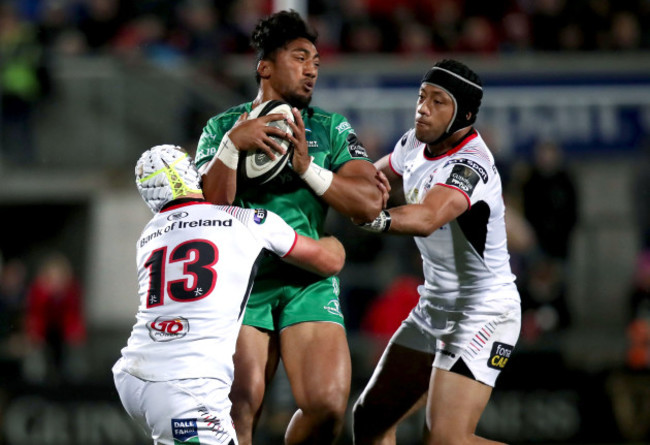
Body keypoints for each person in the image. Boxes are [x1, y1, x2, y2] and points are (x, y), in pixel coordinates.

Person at [194, 10, 384, 445]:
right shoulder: (223, 127)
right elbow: (205, 211)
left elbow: (370, 202)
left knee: (328, 406)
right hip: (244, 282)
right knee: (239, 407)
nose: (312, 68)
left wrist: (308, 168)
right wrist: (230, 147)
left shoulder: (329, 128)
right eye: (300, 57)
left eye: (316, 61)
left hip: (308, 278)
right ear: (264, 66)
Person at [112, 144, 347, 445]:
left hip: (134, 377)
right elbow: (328, 262)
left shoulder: (149, 235)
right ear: (195, 175)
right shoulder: (248, 221)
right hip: (186, 383)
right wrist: (333, 242)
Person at [353, 59, 522, 445]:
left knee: (445, 439)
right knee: (370, 422)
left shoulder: (471, 164)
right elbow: (370, 180)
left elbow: (428, 216)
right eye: (421, 97)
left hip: (484, 311)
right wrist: (317, 174)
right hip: (435, 307)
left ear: (463, 114)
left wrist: (374, 219)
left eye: (438, 101)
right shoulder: (416, 141)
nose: (423, 108)